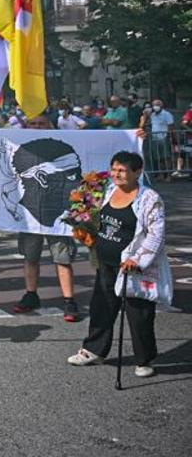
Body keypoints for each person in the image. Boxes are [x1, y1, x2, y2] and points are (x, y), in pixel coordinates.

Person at [67, 151, 170, 378]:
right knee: (101, 307)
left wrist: (138, 259)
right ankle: (93, 350)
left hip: (134, 267)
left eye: (122, 170)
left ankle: (144, 359)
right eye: (114, 169)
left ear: (137, 172)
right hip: (106, 262)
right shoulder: (109, 191)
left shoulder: (150, 199)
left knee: (139, 314)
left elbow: (156, 235)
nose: (116, 174)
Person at [12, 115, 80, 322]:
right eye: (33, 123)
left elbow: (104, 143)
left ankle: (69, 300)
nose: (37, 127)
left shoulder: (65, 140)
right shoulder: (16, 142)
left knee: (62, 257)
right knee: (30, 256)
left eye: (42, 123)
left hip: (57, 218)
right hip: (31, 216)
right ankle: (31, 294)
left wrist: (137, 135)